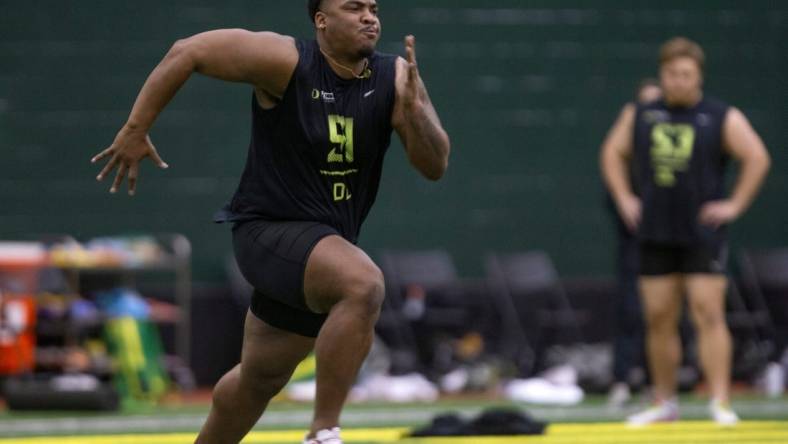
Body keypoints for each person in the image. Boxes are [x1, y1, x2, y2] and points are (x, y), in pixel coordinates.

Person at [91, 1, 451, 442]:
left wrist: (415, 113)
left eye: (373, 7)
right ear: (321, 20)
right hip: (269, 232)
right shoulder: (286, 61)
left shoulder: (395, 76)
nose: (369, 16)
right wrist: (135, 127)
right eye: (353, 7)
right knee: (364, 284)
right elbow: (188, 51)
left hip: (323, 249)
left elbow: (435, 165)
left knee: (258, 380)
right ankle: (324, 431)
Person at [600, 37, 770, 426]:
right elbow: (611, 153)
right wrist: (625, 196)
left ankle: (720, 401)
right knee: (659, 317)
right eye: (672, 74)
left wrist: (735, 205)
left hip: (701, 234)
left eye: (686, 75)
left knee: (708, 313)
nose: (678, 81)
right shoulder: (640, 114)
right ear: (662, 75)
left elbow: (757, 156)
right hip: (655, 231)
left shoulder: (720, 115)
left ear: (699, 78)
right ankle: (664, 401)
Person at [606, 79, 662, 409]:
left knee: (665, 313)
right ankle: (623, 378)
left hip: (672, 237)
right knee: (630, 307)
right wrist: (625, 200)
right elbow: (610, 157)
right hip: (636, 239)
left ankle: (661, 381)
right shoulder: (627, 141)